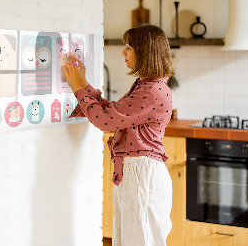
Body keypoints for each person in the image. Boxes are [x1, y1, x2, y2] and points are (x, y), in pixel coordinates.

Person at [62, 24, 174, 246]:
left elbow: (105, 121)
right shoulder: (147, 86)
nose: (123, 52)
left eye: (129, 47)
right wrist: (83, 84)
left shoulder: (151, 91)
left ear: (145, 52)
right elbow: (113, 113)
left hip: (142, 175)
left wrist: (77, 88)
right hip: (137, 173)